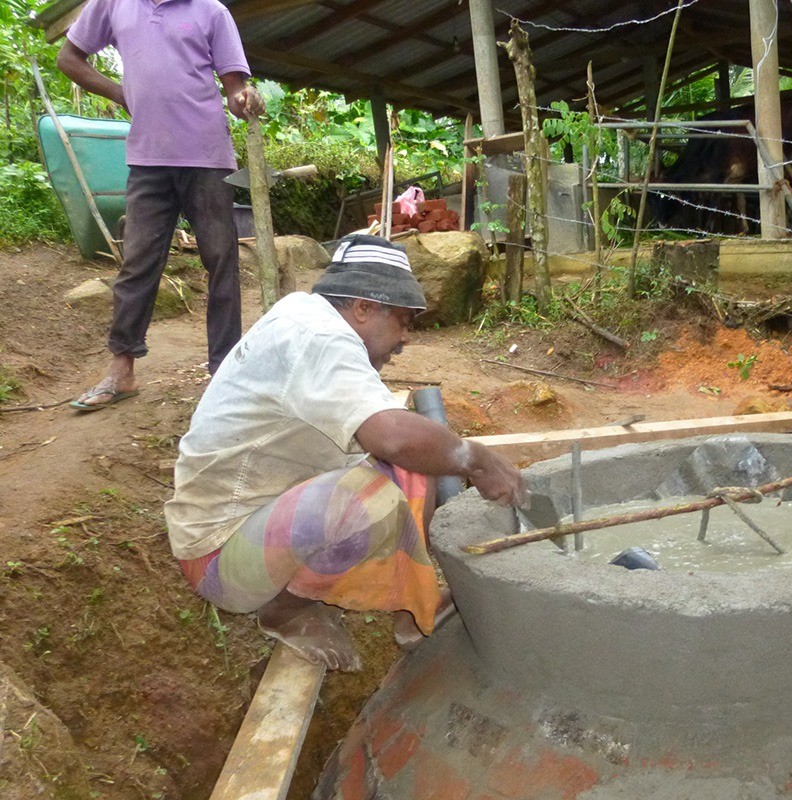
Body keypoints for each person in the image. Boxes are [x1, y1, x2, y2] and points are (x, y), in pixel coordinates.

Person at [164, 234, 528, 670]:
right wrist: (477, 460)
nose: (404, 337)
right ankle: (285, 610)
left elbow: (406, 444)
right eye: (404, 321)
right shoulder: (318, 337)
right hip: (219, 554)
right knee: (366, 499)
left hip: (265, 520)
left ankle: (412, 610)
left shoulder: (310, 320)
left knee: (415, 461)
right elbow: (392, 438)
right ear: (363, 308)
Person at [57, 0, 265, 410]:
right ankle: (122, 370)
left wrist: (245, 99)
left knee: (222, 260)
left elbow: (235, 87)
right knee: (138, 262)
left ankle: (223, 372)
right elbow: (69, 58)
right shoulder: (113, 3)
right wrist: (120, 93)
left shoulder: (212, 11)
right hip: (147, 159)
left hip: (207, 157)